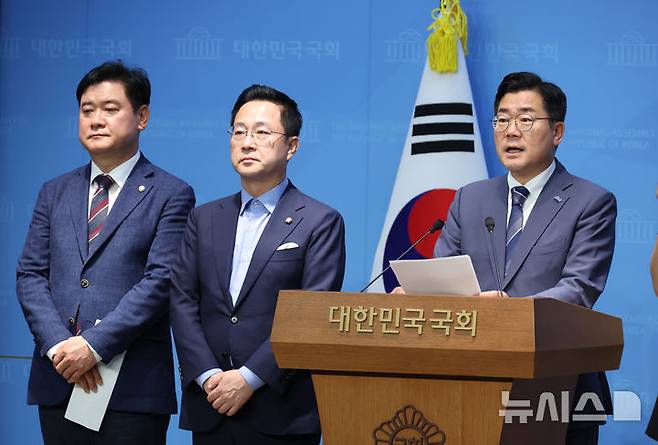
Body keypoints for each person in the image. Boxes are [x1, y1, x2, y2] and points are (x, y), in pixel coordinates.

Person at [398, 72, 616, 444]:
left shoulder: (590, 202)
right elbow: (443, 278)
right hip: (469, 382)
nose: (511, 131)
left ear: (557, 131)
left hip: (555, 386)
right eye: (502, 119)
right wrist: (418, 297)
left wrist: (510, 310)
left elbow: (579, 290)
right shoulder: (469, 198)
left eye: (526, 120)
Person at [16, 60, 195, 444]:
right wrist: (60, 347)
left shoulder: (171, 193)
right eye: (87, 110)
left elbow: (161, 281)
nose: (96, 120)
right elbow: (30, 275)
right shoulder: (54, 191)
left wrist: (93, 346)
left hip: (131, 387)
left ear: (142, 117)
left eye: (110, 109)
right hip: (59, 377)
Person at [169, 84, 346, 445]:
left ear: (291, 146)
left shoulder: (319, 221)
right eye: (239, 132)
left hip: (280, 410)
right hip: (212, 405)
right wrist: (208, 376)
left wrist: (249, 378)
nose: (247, 143)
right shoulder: (204, 218)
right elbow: (182, 300)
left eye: (262, 133)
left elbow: (310, 314)